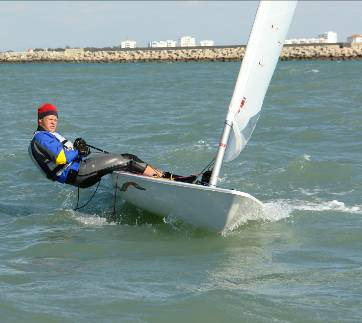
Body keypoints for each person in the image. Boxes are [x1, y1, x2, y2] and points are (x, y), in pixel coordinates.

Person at [29, 103, 196, 188]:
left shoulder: (45, 137)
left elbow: (67, 156)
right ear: (40, 121)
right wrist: (78, 152)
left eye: (55, 120)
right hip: (78, 174)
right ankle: (171, 179)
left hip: (77, 173)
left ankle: (164, 178)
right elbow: (61, 158)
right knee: (129, 159)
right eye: (49, 119)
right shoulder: (41, 138)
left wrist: (81, 152)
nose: (53, 122)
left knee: (122, 163)